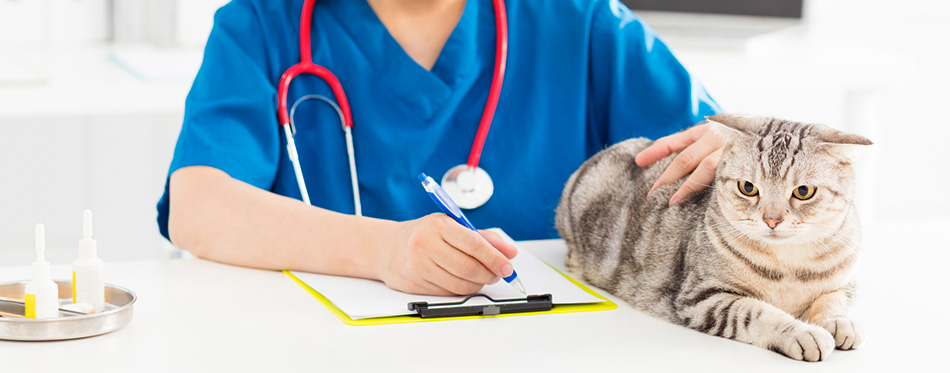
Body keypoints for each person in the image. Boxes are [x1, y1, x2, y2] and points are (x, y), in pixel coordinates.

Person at [157, 0, 725, 296]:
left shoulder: (579, 22)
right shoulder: (262, 22)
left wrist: (733, 144)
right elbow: (198, 208)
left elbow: (717, 153)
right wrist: (384, 250)